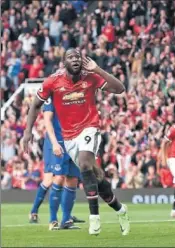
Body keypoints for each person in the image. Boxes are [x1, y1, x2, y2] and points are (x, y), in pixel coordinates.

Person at [23, 48, 130, 236]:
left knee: (85, 163)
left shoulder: (91, 77)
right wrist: (27, 131)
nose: (75, 60)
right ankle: (121, 210)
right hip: (68, 137)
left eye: (78, 57)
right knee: (96, 176)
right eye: (70, 57)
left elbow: (120, 89)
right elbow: (35, 105)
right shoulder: (53, 81)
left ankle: (94, 218)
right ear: (64, 62)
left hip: (90, 127)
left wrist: (98, 69)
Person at [29, 99, 85, 230]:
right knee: (54, 178)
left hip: (74, 142)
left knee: (72, 179)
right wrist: (54, 143)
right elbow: (47, 119)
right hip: (56, 143)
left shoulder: (78, 93)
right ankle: (48, 217)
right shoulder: (53, 93)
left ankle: (66, 219)